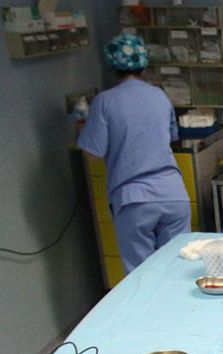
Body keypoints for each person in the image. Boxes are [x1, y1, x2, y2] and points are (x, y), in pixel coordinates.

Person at [77, 33, 190, 274]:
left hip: (134, 201)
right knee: (179, 270)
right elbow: (170, 137)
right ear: (143, 62)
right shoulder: (160, 96)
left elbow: (92, 153)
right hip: (173, 195)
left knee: (143, 277)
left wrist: (83, 126)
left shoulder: (104, 102)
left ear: (112, 64)